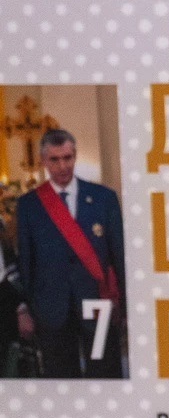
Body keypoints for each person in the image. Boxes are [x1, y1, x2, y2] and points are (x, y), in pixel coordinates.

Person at [14, 129, 125, 379]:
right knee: (61, 379)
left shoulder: (104, 198)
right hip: (51, 309)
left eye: (68, 158)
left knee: (103, 372)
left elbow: (118, 256)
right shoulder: (29, 204)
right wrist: (25, 308)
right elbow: (26, 262)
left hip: (98, 305)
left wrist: (127, 307)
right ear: (43, 161)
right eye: (54, 159)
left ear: (75, 156)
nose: (62, 166)